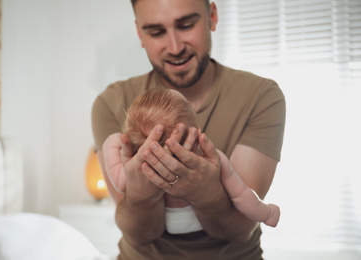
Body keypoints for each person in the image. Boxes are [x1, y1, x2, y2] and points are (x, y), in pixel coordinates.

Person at [91, 0, 286, 259]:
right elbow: (138, 234)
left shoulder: (260, 96)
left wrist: (206, 193)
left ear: (213, 16)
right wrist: (141, 193)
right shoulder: (112, 103)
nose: (174, 47)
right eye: (156, 31)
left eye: (186, 25)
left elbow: (240, 229)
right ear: (139, 33)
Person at [103, 88, 280, 233]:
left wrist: (116, 140)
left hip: (166, 224)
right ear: (196, 131)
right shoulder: (210, 159)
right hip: (199, 223)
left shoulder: (140, 168)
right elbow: (241, 195)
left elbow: (120, 183)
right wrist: (266, 214)